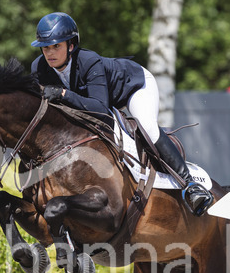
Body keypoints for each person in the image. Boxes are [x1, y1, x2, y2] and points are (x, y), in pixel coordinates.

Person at [29, 12, 213, 216]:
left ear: (71, 46)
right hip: (100, 99)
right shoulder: (39, 68)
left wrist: (64, 94)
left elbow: (100, 108)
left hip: (133, 86)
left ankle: (190, 185)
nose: (50, 53)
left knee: (147, 127)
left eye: (56, 46)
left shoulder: (89, 61)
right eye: (46, 47)